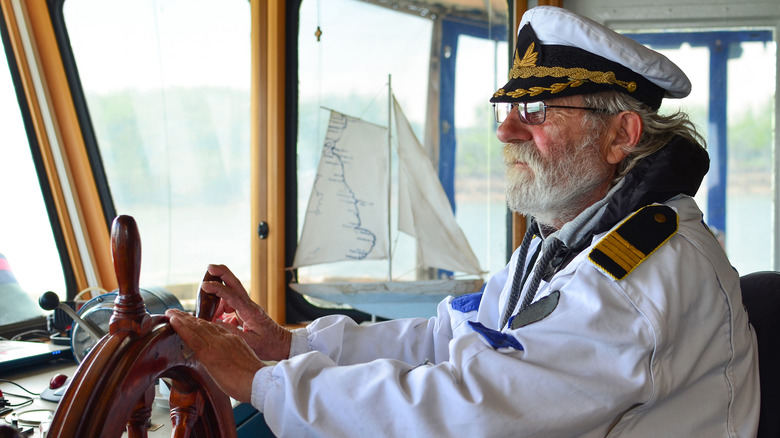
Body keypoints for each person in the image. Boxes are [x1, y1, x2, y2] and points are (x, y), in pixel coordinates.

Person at [167, 6, 759, 437]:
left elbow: (471, 410)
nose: (505, 130)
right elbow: (452, 337)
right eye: (508, 109)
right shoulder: (566, 241)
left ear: (620, 136)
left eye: (537, 110)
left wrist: (264, 383)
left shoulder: (642, 276)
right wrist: (291, 344)